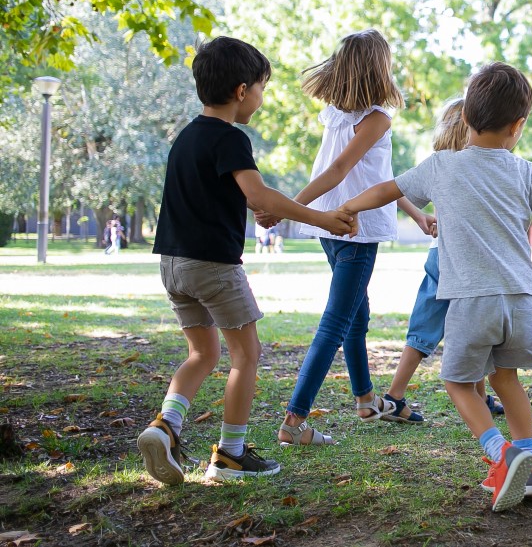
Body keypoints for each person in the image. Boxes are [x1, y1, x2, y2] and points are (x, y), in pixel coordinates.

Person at [339, 62, 532, 512]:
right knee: (506, 379)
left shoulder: (441, 166)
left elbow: (387, 189)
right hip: (522, 300)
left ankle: (501, 453)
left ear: (465, 120)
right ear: (518, 126)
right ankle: (530, 467)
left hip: (472, 300)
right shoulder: (524, 170)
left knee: (456, 380)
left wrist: (349, 207)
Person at [136, 36, 354, 485]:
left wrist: (259, 207)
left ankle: (166, 426)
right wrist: (322, 218)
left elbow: (231, 198)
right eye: (260, 87)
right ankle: (231, 454)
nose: (261, 96)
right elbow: (258, 194)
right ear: (241, 91)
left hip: (173, 265)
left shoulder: (185, 138)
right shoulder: (231, 138)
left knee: (202, 352)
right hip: (213, 267)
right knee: (245, 355)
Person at [255, 30, 429, 446]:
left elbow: (381, 177)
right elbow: (337, 172)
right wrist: (285, 206)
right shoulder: (376, 118)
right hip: (354, 227)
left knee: (357, 315)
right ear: (379, 68)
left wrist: (418, 215)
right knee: (336, 321)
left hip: (331, 227)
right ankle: (294, 421)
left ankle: (366, 400)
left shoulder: (336, 113)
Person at [377, 98, 505, 426]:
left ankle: (397, 396)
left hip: (440, 255)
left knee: (431, 329)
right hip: (462, 260)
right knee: (468, 327)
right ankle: (397, 397)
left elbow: (397, 188)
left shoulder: (440, 163)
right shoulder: (480, 164)